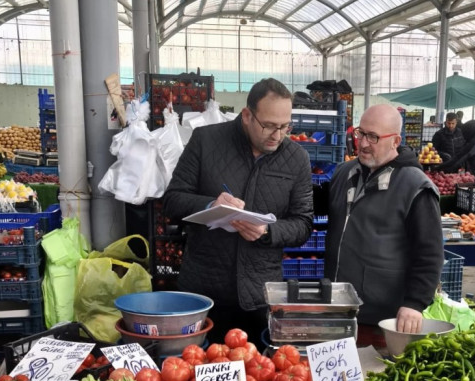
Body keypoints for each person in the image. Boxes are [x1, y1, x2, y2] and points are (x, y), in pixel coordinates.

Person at [163, 78, 314, 348]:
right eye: (268, 125)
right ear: (247, 115)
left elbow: (303, 224)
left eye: (284, 126)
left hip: (259, 296)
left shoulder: (297, 159)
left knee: (257, 378)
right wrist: (210, 205)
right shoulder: (206, 141)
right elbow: (172, 200)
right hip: (203, 291)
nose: (277, 135)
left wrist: (267, 231)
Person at [325, 104, 444, 342]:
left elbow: (430, 253)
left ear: (395, 141)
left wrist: (415, 303)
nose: (364, 143)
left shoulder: (416, 187)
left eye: (374, 137)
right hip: (337, 308)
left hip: (383, 319)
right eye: (361, 133)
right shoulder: (344, 173)